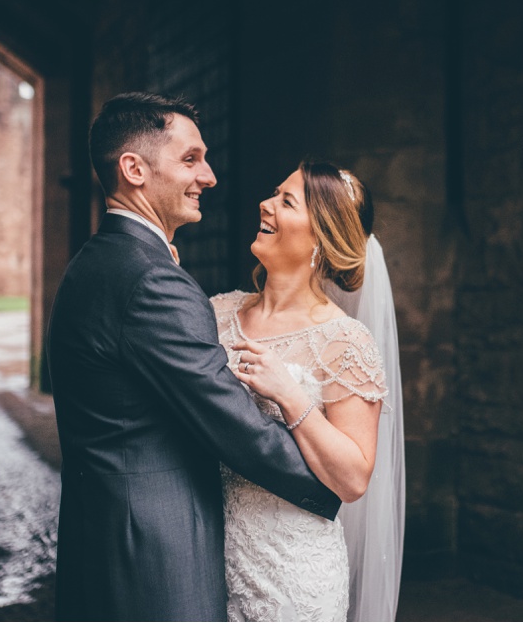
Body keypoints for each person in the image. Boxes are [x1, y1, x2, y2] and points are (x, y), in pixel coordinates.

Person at [46, 93, 340, 621]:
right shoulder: (152, 279)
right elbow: (232, 422)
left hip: (104, 539)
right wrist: (330, 482)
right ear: (134, 169)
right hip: (155, 556)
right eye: (190, 159)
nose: (209, 176)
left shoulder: (95, 261)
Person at [213, 160, 405, 621]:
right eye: (273, 193)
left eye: (286, 201)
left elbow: (355, 477)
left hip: (293, 574)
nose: (265, 204)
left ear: (320, 237)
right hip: (211, 556)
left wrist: (290, 394)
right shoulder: (217, 313)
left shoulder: (344, 342)